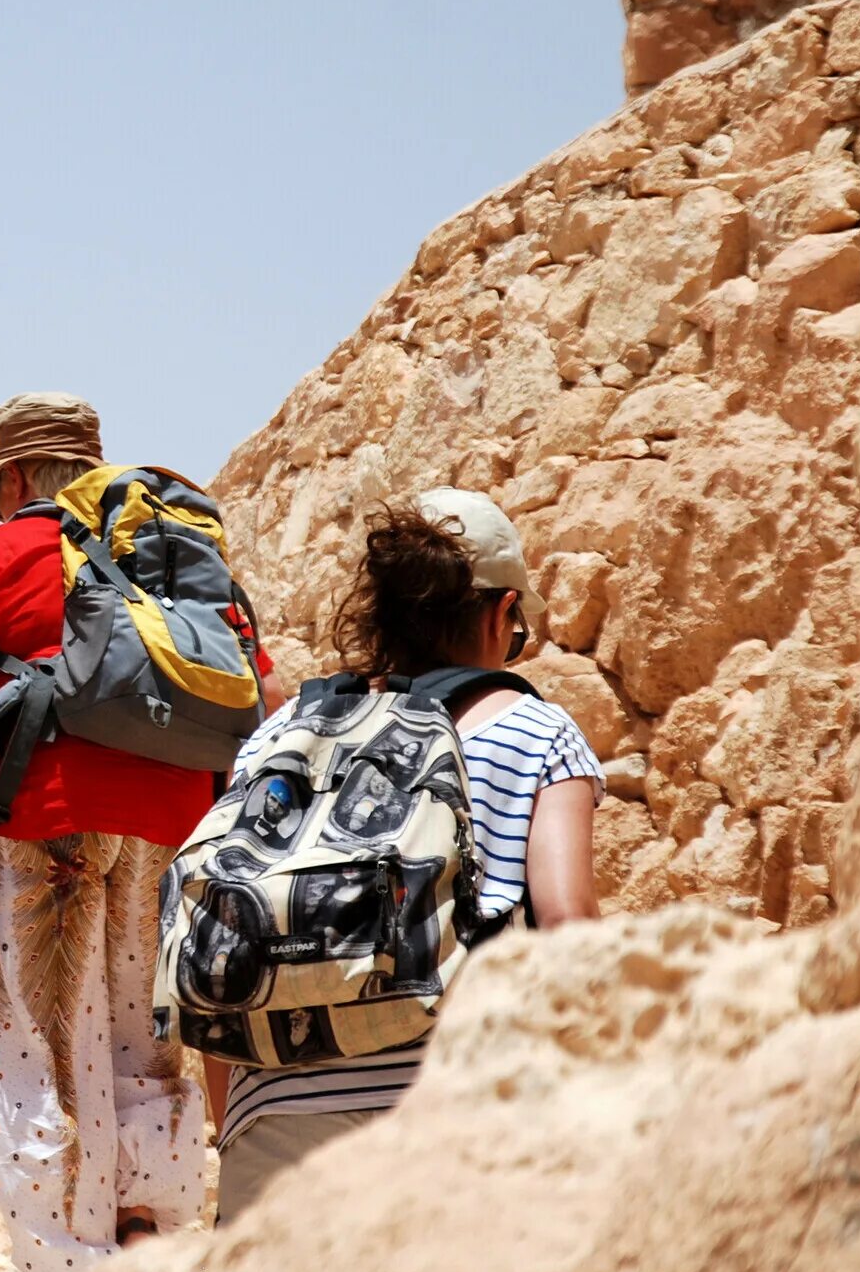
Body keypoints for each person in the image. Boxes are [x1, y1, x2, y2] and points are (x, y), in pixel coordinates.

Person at [0, 391, 261, 1272]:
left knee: (42, 1053)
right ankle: (148, 1235)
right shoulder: (166, 552)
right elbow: (258, 683)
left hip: (39, 819)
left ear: (14, 476)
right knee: (144, 1041)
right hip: (170, 825)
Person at [209, 486, 601, 1223]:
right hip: (450, 1110)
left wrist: (238, 1121)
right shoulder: (533, 731)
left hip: (272, 1120)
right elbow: (568, 924)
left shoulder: (280, 737)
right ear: (498, 613)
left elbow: (226, 918)